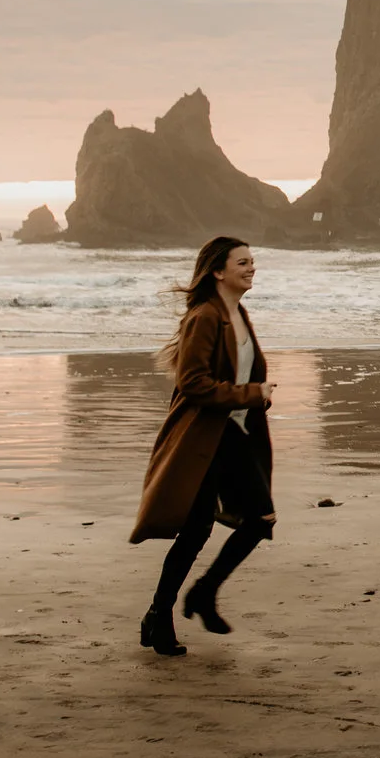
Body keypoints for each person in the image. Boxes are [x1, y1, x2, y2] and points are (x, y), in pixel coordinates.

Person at [129, 235, 276, 656]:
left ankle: (197, 596)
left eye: (253, 261)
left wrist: (256, 394)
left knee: (257, 519)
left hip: (234, 435)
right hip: (206, 438)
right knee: (201, 530)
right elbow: (192, 384)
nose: (251, 268)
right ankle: (168, 611)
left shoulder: (237, 312)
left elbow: (237, 374)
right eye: (242, 262)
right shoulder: (206, 317)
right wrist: (251, 394)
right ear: (218, 271)